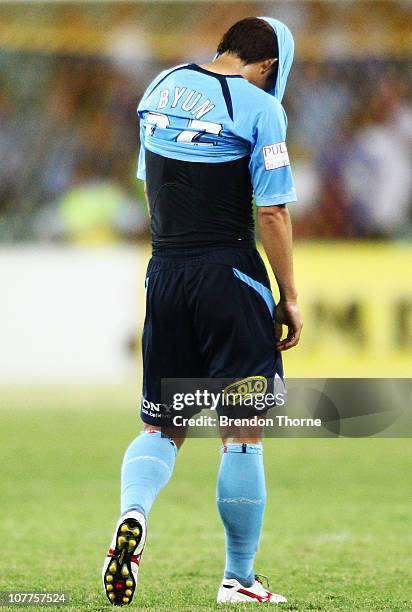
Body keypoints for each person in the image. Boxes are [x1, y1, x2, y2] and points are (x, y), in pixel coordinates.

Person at [102, 16, 303, 606]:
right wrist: (288, 293)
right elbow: (272, 213)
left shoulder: (160, 86)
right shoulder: (261, 108)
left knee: (162, 424)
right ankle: (239, 578)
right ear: (267, 66)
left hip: (165, 271)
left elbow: (151, 185)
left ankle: (132, 515)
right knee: (241, 430)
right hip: (230, 274)